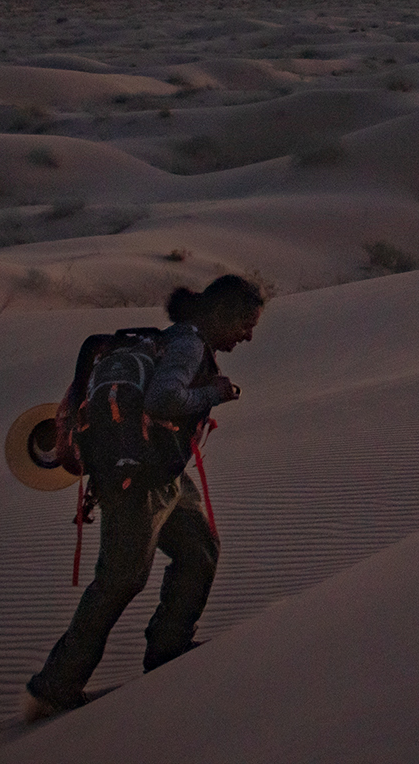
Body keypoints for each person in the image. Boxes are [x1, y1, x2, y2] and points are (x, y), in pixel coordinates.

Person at [23, 274, 266, 720]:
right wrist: (215, 392)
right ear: (224, 315)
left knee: (199, 551)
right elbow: (161, 400)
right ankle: (57, 685)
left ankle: (168, 649)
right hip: (136, 483)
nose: (248, 335)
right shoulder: (189, 346)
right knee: (121, 579)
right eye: (246, 324)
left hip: (163, 475)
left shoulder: (179, 340)